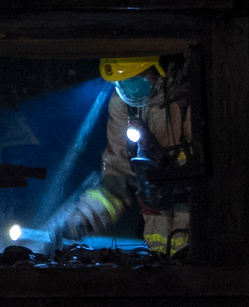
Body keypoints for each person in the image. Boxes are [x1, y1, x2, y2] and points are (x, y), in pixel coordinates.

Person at [49, 55, 195, 256]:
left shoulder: (190, 100)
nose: (129, 88)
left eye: (136, 78)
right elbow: (117, 178)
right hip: (163, 245)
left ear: (158, 69)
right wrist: (85, 218)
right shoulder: (124, 106)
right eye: (122, 82)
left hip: (213, 236)